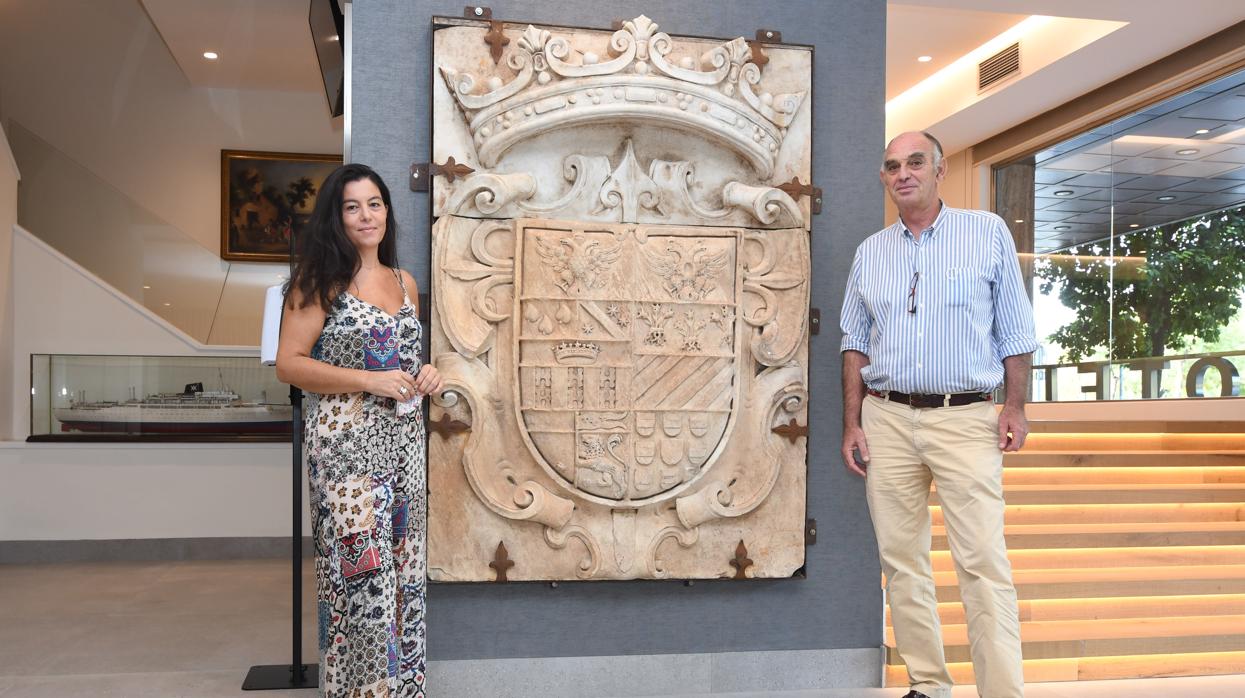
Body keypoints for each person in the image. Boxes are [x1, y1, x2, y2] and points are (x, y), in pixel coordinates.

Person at [839, 131, 1037, 698]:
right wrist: (853, 423)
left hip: (966, 417)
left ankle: (1002, 691)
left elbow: (1015, 331)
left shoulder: (986, 233)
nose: (903, 173)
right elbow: (854, 343)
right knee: (902, 562)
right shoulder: (870, 252)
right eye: (892, 166)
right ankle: (928, 684)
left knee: (981, 562)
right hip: (887, 420)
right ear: (885, 178)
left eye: (915, 162)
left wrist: (1015, 408)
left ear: (940, 169)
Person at [276, 163, 443, 697]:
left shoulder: (404, 282)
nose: (365, 215)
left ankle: (404, 691)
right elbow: (290, 364)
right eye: (352, 206)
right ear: (336, 216)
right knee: (362, 581)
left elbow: (405, 363)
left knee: (403, 573)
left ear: (387, 211)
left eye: (374, 203)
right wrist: (366, 380)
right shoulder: (317, 282)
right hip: (345, 451)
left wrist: (427, 373)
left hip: (404, 447)